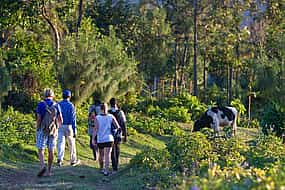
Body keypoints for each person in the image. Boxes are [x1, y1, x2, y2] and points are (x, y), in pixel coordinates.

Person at [36, 88, 62, 177]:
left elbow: (39, 118)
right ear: (52, 95)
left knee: (40, 149)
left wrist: (37, 128)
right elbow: (60, 119)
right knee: (51, 150)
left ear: (44, 95)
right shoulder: (56, 105)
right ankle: (49, 171)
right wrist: (56, 127)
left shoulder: (40, 104)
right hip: (53, 130)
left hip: (43, 129)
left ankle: (43, 165)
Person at [92, 103, 120, 176]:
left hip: (100, 139)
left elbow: (95, 129)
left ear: (100, 109)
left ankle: (101, 168)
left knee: (101, 155)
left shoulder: (97, 117)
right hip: (109, 138)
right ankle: (106, 171)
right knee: (107, 155)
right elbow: (118, 127)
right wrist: (116, 134)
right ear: (107, 108)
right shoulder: (111, 116)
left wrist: (93, 139)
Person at [57, 90, 80, 167]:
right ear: (69, 97)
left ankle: (60, 159)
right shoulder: (71, 105)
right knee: (71, 144)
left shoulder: (58, 104)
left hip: (60, 125)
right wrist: (74, 129)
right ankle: (73, 160)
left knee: (60, 143)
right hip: (69, 126)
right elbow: (73, 119)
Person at [108, 98, 127, 173]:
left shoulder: (108, 112)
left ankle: (114, 166)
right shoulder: (120, 112)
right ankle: (117, 164)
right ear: (116, 104)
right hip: (118, 133)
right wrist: (125, 135)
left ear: (110, 104)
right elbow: (124, 124)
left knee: (112, 149)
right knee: (118, 148)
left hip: (110, 133)